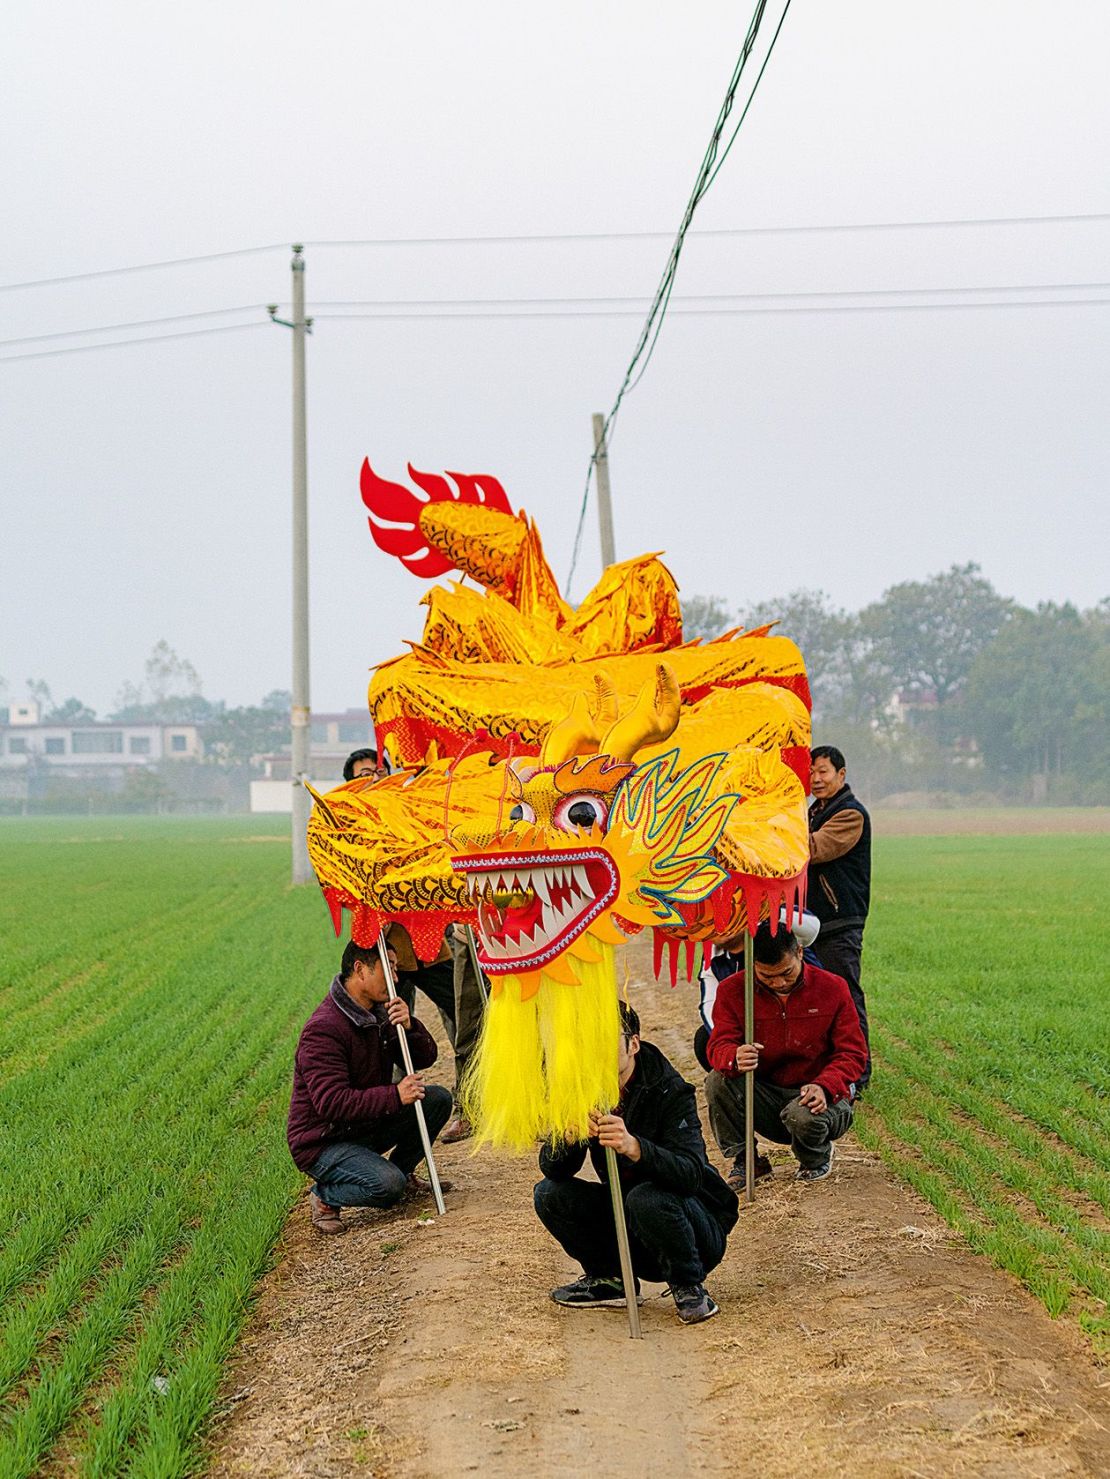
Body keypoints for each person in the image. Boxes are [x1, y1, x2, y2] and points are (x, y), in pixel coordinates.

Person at [533, 1003, 738, 1325]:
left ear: (633, 1044)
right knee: (549, 1193)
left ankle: (688, 1286)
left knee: (647, 1196)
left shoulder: (670, 1090)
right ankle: (609, 1279)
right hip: (628, 1221)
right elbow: (554, 1170)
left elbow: (691, 1174)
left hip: (691, 1227)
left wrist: (635, 1147)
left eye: (605, 1040)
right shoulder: (581, 1088)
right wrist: (567, 1138)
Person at [286, 938, 453, 1235]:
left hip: (364, 1125)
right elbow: (331, 1103)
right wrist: (394, 1095)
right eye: (388, 968)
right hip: (325, 1141)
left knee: (437, 1099)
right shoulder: (324, 1029)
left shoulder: (380, 1012)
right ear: (360, 969)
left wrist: (410, 1027)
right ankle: (325, 1195)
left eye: (396, 969)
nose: (396, 979)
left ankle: (403, 1173)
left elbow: (426, 1058)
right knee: (387, 1186)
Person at [705, 922, 867, 1187]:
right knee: (717, 1080)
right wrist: (734, 1056)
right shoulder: (732, 991)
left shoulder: (833, 987)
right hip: (767, 1095)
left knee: (802, 1115)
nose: (779, 983)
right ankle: (746, 1161)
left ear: (800, 953)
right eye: (766, 976)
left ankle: (815, 1157)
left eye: (786, 973)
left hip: (819, 1096)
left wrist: (825, 1086)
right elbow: (717, 1045)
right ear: (751, 963)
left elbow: (853, 1053)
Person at [808, 744, 872, 1088]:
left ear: (841, 775)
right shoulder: (814, 811)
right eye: (812, 772)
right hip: (813, 922)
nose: (816, 779)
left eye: (824, 772)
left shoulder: (849, 814)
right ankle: (831, 1068)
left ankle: (858, 1073)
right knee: (820, 1000)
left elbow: (813, 849)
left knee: (846, 997)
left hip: (839, 920)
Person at [392, 924, 487, 1143]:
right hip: (386, 939)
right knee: (388, 1023)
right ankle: (394, 1103)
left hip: (428, 936)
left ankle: (473, 1105)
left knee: (466, 1017)